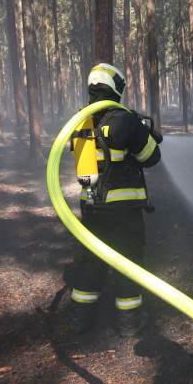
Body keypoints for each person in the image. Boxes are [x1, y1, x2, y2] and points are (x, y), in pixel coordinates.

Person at [64, 63, 162, 336]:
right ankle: (129, 323)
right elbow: (151, 158)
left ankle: (78, 321)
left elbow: (85, 173)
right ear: (116, 87)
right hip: (125, 209)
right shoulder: (125, 118)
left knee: (90, 260)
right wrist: (144, 135)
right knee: (128, 261)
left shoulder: (82, 121)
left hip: (92, 207)